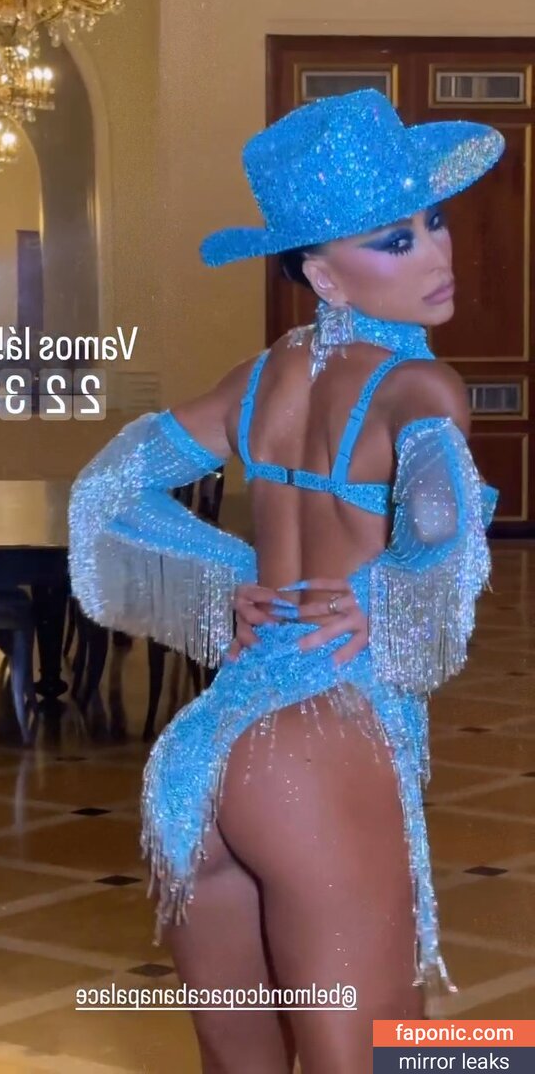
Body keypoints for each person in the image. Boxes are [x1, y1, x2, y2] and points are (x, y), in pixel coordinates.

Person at [68, 89, 502, 1073]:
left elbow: (108, 491)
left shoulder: (255, 380)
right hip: (319, 745)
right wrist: (388, 595)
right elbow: (440, 529)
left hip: (202, 755)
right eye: (394, 240)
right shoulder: (418, 387)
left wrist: (230, 580)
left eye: (433, 221)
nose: (435, 254)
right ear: (321, 274)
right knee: (387, 1055)